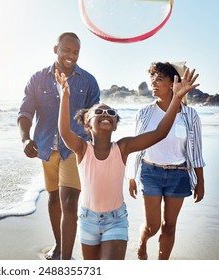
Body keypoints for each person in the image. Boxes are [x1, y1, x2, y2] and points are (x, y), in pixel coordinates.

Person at [56, 65, 199, 260]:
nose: (106, 114)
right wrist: (64, 96)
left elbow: (159, 133)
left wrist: (176, 99)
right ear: (87, 125)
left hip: (116, 221)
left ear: (115, 126)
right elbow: (64, 132)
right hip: (87, 221)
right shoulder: (82, 149)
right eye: (99, 112)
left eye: (111, 113)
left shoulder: (122, 148)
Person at [17, 32, 100, 260]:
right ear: (56, 49)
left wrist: (98, 148)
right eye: (66, 50)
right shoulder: (38, 79)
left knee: (70, 201)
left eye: (75, 52)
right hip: (45, 148)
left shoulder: (88, 82)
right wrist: (25, 139)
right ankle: (59, 246)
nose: (70, 56)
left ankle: (65, 259)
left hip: (74, 149)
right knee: (54, 198)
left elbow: (95, 118)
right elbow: (25, 112)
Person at [128, 62, 205, 260]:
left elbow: (195, 150)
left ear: (173, 84)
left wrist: (200, 182)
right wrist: (131, 176)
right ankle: (143, 241)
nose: (153, 82)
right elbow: (136, 147)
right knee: (152, 226)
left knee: (169, 226)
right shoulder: (143, 113)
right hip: (150, 172)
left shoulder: (190, 115)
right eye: (152, 78)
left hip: (179, 175)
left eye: (159, 78)